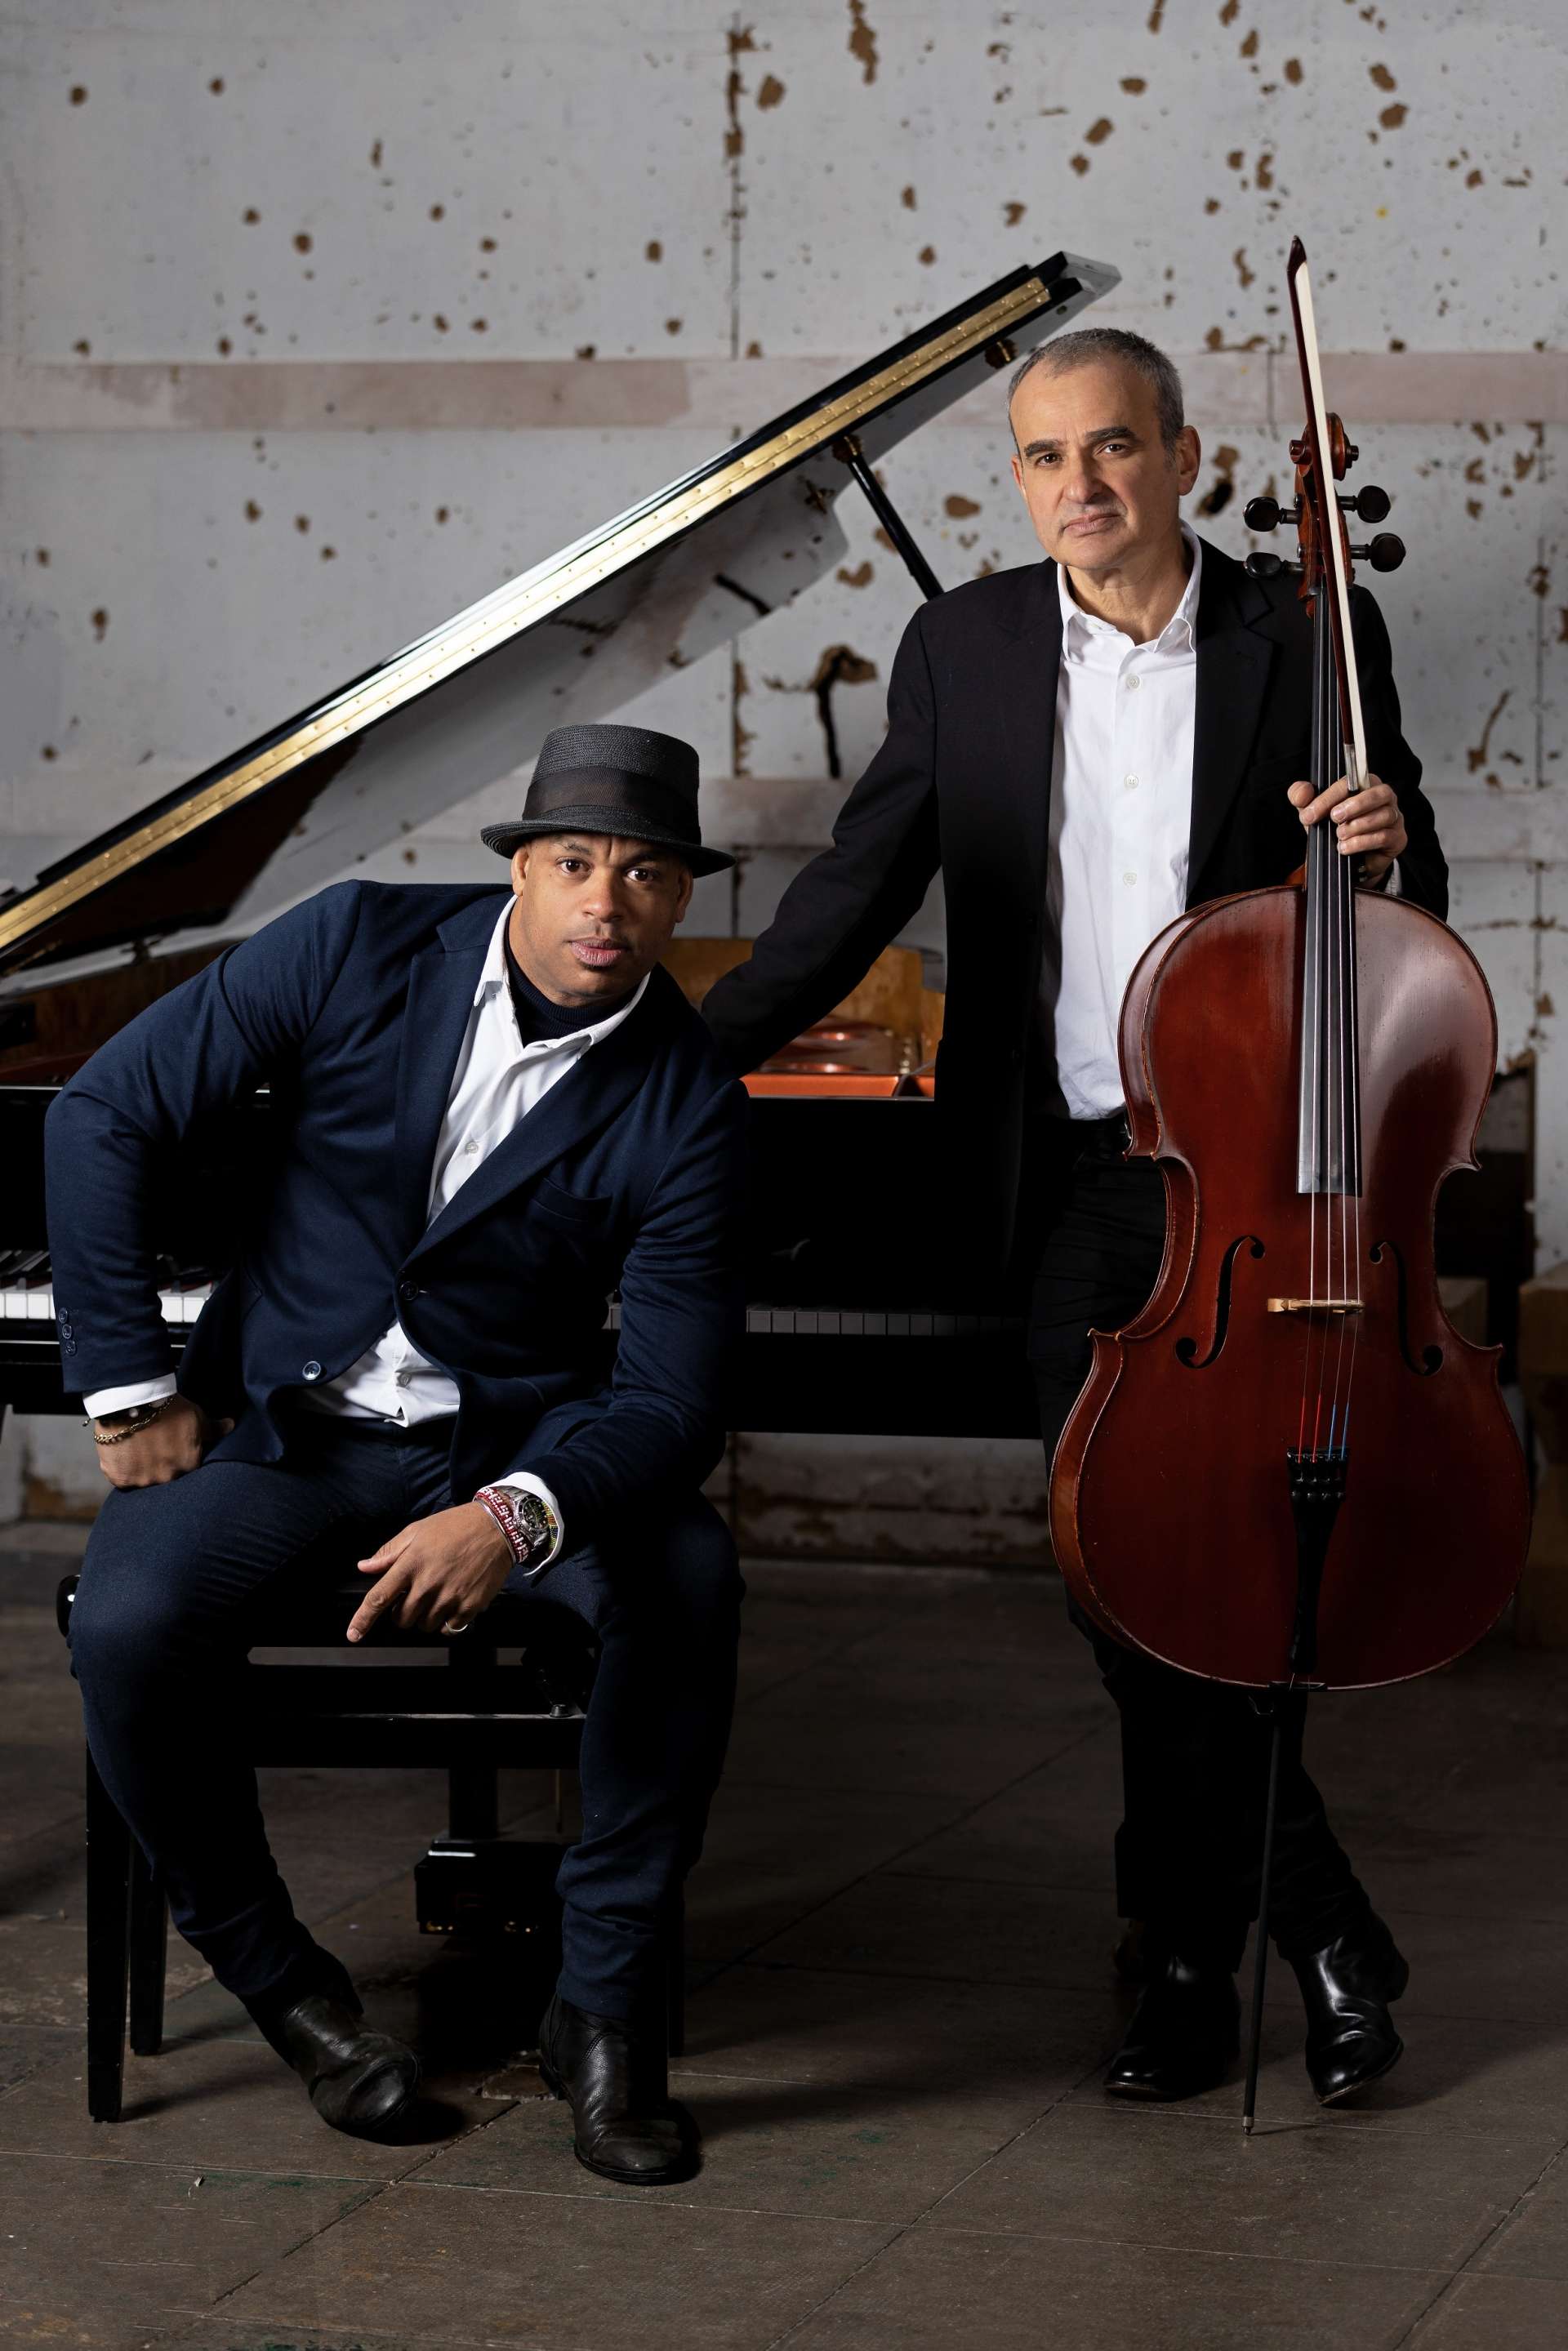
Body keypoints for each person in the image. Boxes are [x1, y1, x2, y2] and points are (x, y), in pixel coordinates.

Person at [702, 327, 1445, 2106]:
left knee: (1208, 1573)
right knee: (1128, 1570)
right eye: (1044, 457)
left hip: (1263, 1181)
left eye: (1112, 447)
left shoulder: (1308, 633)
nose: (1079, 485)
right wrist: (659, 1064)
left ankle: (1181, 1970)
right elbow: (848, 894)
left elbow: (1405, 907)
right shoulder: (962, 648)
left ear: (1183, 457)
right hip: (1069, 1185)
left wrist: (1389, 843)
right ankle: (1321, 1924)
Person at [51, 723, 746, 2183]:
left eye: (644, 874)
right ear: (520, 868)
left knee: (685, 1580)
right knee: (126, 1620)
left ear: (682, 898)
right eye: (574, 863)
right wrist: (126, 1391)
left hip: (514, 1441)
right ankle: (288, 1993)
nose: (605, 902)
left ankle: (605, 2015)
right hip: (292, 1431)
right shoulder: (352, 944)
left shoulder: (692, 1099)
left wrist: (514, 1515)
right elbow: (104, 1110)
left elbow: (674, 1401)